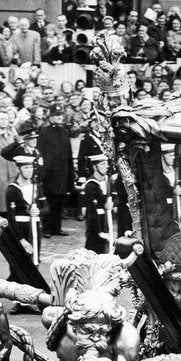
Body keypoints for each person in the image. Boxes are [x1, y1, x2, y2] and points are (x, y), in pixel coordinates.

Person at [36, 104, 74, 239]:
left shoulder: (64, 132)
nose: (59, 117)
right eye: (55, 115)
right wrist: (41, 175)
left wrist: (71, 175)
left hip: (62, 173)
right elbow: (40, 154)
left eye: (60, 115)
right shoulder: (45, 132)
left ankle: (57, 228)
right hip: (49, 174)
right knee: (49, 202)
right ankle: (46, 228)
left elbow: (68, 155)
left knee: (59, 203)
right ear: (50, 117)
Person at [82, 153, 112, 254]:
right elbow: (92, 211)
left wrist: (112, 204)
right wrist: (99, 231)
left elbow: (115, 197)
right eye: (103, 164)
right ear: (95, 167)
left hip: (106, 223)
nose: (107, 166)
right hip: (95, 226)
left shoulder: (108, 181)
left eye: (107, 163)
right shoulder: (90, 185)